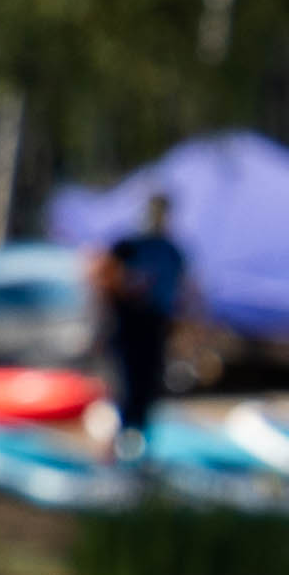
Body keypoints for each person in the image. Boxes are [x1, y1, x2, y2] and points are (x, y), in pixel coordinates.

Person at [97, 189, 192, 446]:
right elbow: (104, 276)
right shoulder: (128, 246)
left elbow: (185, 289)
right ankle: (119, 442)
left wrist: (186, 328)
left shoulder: (171, 250)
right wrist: (125, 292)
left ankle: (141, 444)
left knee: (148, 387)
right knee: (124, 386)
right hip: (128, 325)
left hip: (157, 326)